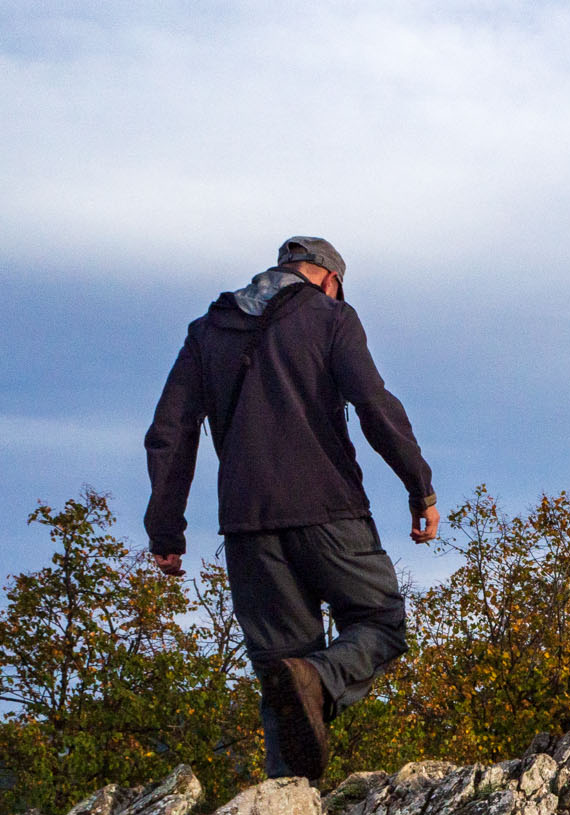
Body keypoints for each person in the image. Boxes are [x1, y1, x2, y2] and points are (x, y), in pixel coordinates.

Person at [142, 236, 440, 782]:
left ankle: (288, 810)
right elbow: (374, 404)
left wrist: (166, 532)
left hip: (247, 524)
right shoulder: (332, 319)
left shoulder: (206, 333)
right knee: (380, 621)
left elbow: (170, 433)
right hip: (330, 509)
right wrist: (419, 487)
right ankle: (320, 678)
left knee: (281, 674)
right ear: (329, 280)